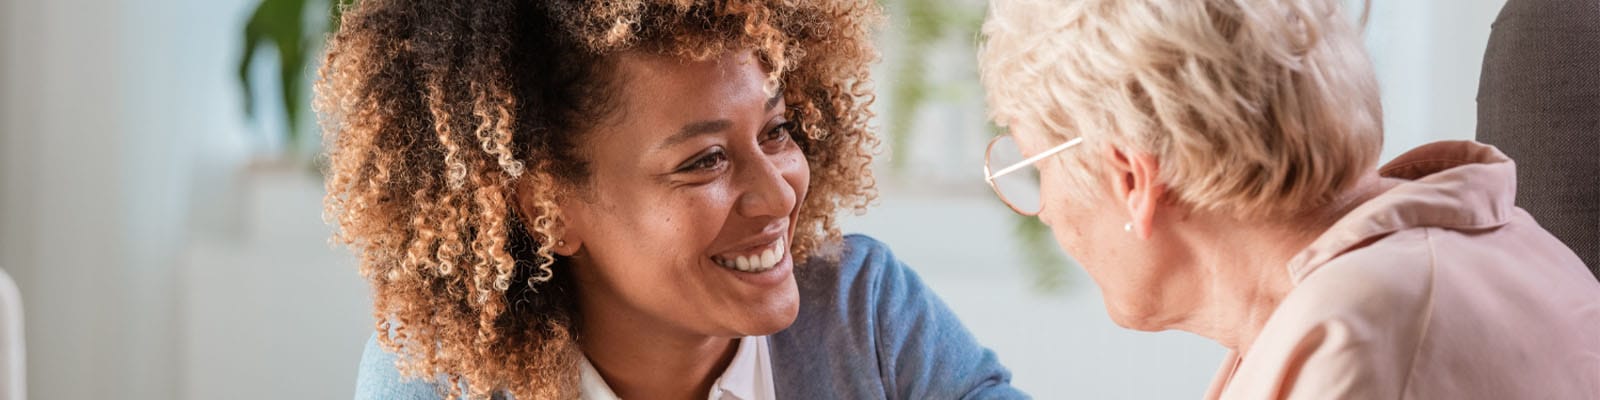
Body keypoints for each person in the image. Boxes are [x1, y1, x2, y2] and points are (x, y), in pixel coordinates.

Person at [318, 1, 1025, 399]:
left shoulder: (861, 317)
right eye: (704, 160)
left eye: (776, 131)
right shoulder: (439, 384)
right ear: (546, 207)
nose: (779, 192)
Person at [976, 0, 1600, 398]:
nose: (1049, 209)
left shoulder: (1359, 337)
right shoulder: (1486, 244)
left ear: (1132, 179)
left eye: (1038, 170)